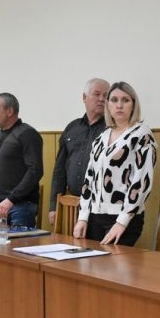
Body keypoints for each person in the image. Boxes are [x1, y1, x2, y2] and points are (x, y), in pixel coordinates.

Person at [73, 81, 157, 246]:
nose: (119, 105)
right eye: (114, 100)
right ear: (108, 105)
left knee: (113, 262)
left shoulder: (142, 134)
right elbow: (89, 180)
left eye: (125, 100)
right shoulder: (102, 137)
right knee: (91, 262)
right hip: (94, 217)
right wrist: (82, 217)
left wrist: (122, 221)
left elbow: (142, 182)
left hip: (123, 218)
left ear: (133, 105)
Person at [0, 93, 44, 228]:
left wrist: (11, 199)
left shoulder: (27, 133)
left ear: (9, 111)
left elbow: (35, 170)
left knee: (19, 242)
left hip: (20, 205)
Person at [48, 78, 109, 226]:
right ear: (84, 97)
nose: (102, 99)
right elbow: (59, 170)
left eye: (106, 95)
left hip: (102, 207)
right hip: (73, 205)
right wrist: (53, 206)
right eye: (97, 94)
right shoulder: (72, 128)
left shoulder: (112, 129)